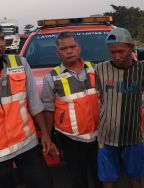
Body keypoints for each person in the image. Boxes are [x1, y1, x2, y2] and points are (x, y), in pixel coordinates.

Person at [0, 20, 54, 188]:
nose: (1, 44)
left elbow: (35, 104)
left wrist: (45, 134)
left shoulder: (20, 63)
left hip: (27, 144)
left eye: (2, 38)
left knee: (43, 183)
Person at [41, 32, 102, 188]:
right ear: (57, 53)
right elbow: (48, 110)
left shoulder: (96, 69)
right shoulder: (51, 77)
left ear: (79, 48)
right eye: (64, 48)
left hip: (100, 136)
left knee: (101, 177)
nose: (69, 51)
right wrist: (47, 136)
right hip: (71, 140)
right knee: (78, 179)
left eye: (72, 46)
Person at [95, 27, 144, 188]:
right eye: (112, 52)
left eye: (121, 51)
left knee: (135, 177)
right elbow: (101, 95)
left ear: (131, 48)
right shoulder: (100, 69)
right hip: (106, 135)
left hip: (133, 135)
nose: (116, 56)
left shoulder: (142, 69)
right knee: (108, 178)